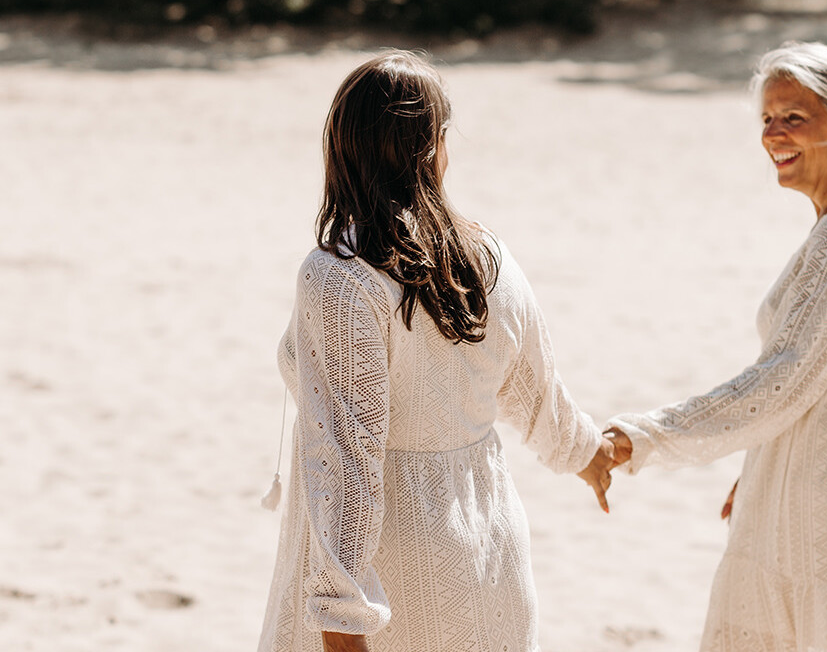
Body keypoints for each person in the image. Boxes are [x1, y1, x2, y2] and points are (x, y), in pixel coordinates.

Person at [258, 50, 616, 652]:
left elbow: (348, 458)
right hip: (488, 548)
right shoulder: (489, 256)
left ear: (340, 147)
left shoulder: (341, 275)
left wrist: (342, 621)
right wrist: (590, 455)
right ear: (438, 146)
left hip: (392, 578)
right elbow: (536, 394)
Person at [602, 42, 827, 651]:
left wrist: (639, 438)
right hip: (814, 494)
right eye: (767, 120)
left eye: (793, 118)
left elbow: (784, 378)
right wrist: (765, 462)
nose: (772, 135)